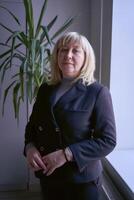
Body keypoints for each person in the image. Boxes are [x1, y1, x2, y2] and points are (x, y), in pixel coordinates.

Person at [24, 32, 116, 200]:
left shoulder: (98, 92)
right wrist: (29, 147)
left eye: (76, 51)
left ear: (86, 57)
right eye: (63, 50)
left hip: (82, 182)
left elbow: (108, 141)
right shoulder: (45, 89)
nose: (68, 55)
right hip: (49, 177)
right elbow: (32, 126)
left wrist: (66, 154)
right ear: (56, 55)